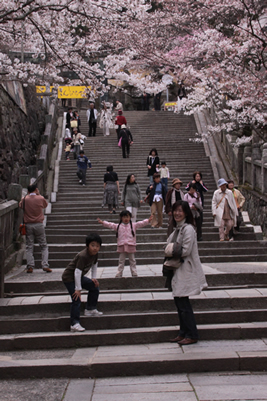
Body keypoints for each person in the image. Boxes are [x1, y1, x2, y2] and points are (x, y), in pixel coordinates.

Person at [167, 200, 207, 345]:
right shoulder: (177, 229)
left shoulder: (188, 229)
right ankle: (183, 332)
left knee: (183, 303)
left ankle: (192, 334)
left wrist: (170, 250)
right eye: (175, 210)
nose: (177, 213)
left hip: (186, 268)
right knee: (179, 302)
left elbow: (185, 251)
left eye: (180, 211)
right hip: (178, 269)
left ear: (185, 213)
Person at [62, 233, 103, 332]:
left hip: (78, 277)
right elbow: (77, 272)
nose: (95, 248)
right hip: (69, 278)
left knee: (94, 287)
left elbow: (94, 265)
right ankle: (74, 323)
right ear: (87, 245)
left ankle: (90, 309)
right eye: (93, 245)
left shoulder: (95, 254)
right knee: (76, 298)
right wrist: (78, 289)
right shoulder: (83, 256)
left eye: (97, 246)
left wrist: (93, 278)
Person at [97, 211, 152, 277]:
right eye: (124, 217)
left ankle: (134, 272)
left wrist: (148, 220)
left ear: (130, 217)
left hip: (131, 245)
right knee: (121, 261)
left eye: (127, 217)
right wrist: (103, 222)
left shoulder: (133, 225)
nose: (126, 218)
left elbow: (141, 223)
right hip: (122, 245)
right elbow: (110, 225)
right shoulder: (118, 226)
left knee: (132, 260)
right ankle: (119, 273)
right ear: (121, 218)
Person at [19, 184, 52, 274]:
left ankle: (30, 266)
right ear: (36, 189)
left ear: (28, 191)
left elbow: (20, 206)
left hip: (28, 224)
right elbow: (45, 205)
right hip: (39, 224)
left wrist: (25, 197)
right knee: (43, 245)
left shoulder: (25, 199)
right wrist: (39, 194)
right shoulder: (40, 198)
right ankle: (45, 264)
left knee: (29, 246)